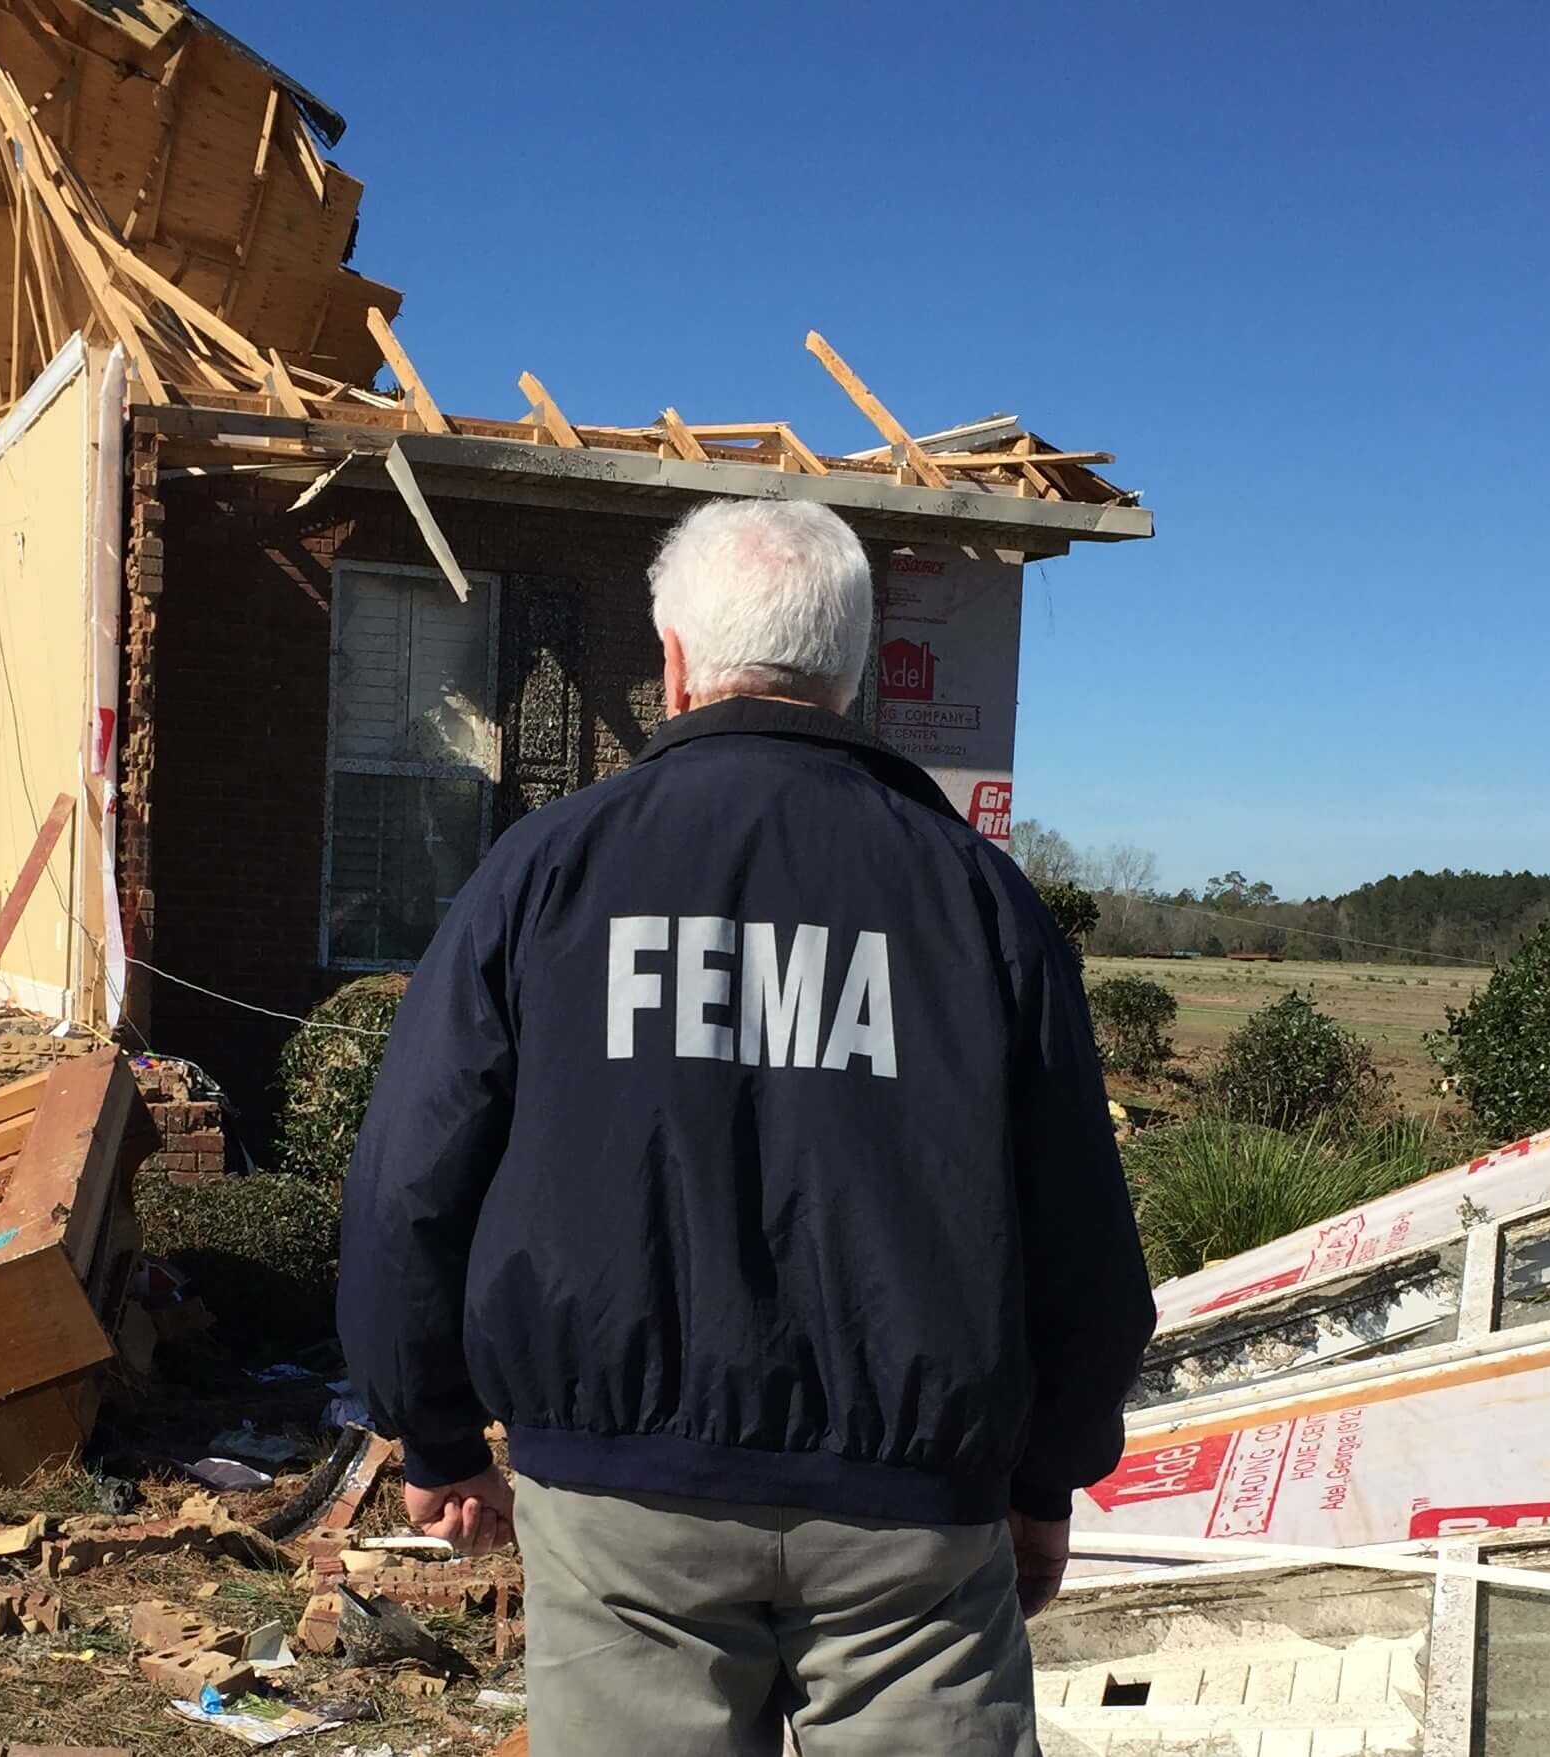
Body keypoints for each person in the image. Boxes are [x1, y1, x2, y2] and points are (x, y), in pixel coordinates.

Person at [338, 497, 1155, 1756]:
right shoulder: (974, 893)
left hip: (620, 1503)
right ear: (857, 668)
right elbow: (1079, 1224)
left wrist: (434, 1428)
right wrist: (1045, 1474)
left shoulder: (543, 868)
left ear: (671, 660)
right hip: (911, 1515)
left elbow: (409, 1177)